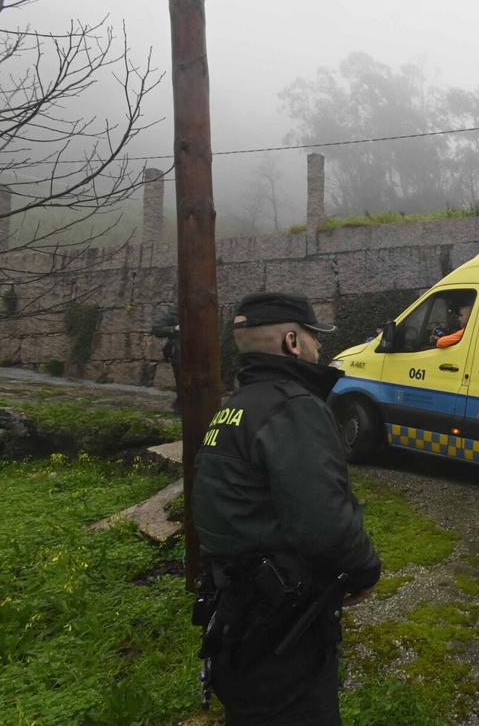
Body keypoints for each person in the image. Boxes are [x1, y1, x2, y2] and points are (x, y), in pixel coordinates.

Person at [192, 292, 381, 725]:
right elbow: (325, 524)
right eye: (315, 336)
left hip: (239, 618)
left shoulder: (235, 408)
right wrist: (365, 571)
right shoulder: (294, 407)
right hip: (283, 626)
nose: (321, 346)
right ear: (292, 342)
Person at [150, 306, 181, 414]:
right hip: (179, 353)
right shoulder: (174, 313)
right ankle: (180, 407)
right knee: (182, 381)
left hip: (199, 352)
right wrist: (174, 328)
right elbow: (157, 329)